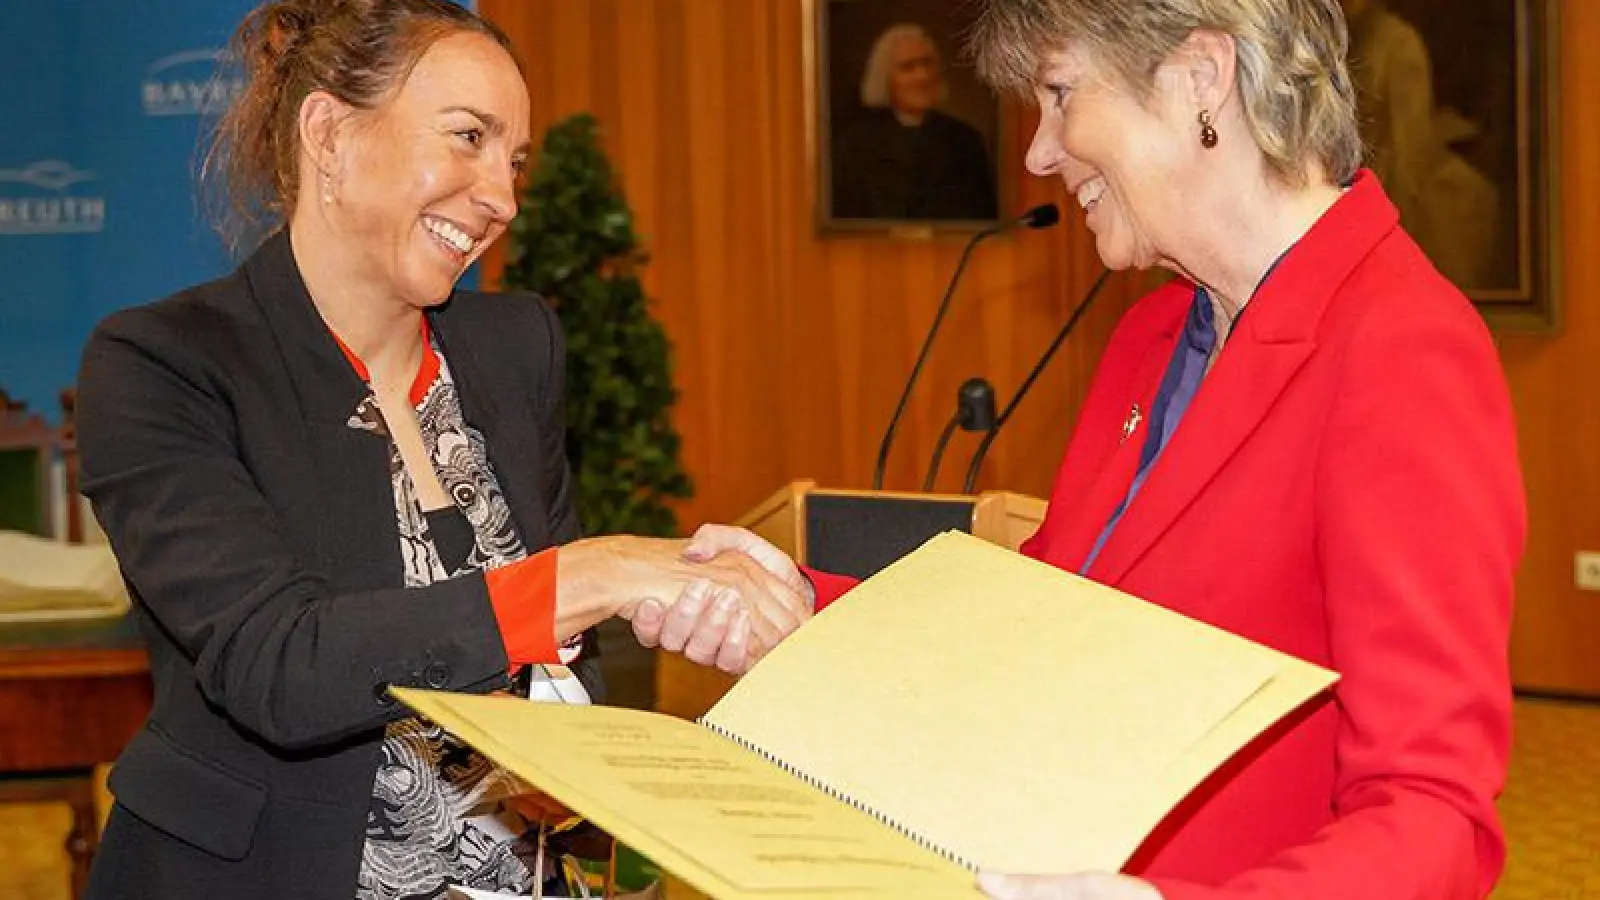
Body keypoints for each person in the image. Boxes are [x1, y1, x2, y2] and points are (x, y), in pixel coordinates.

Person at [683, 0, 1526, 898]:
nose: (1038, 153)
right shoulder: (1152, 339)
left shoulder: (1400, 347)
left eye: (1059, 93)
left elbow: (1432, 817)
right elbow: (1042, 641)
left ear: (1202, 77)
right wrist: (803, 612)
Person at [74, 2, 808, 899]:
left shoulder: (515, 346)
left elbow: (567, 664)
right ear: (330, 135)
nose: (501, 196)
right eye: (469, 139)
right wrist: (601, 571)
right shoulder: (165, 363)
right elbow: (279, 663)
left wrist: (569, 776)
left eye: (515, 162)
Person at [831, 23, 999, 221]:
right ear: (885, 78)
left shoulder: (965, 141)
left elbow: (982, 219)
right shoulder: (855, 144)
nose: (922, 76)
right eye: (907, 67)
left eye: (927, 63)